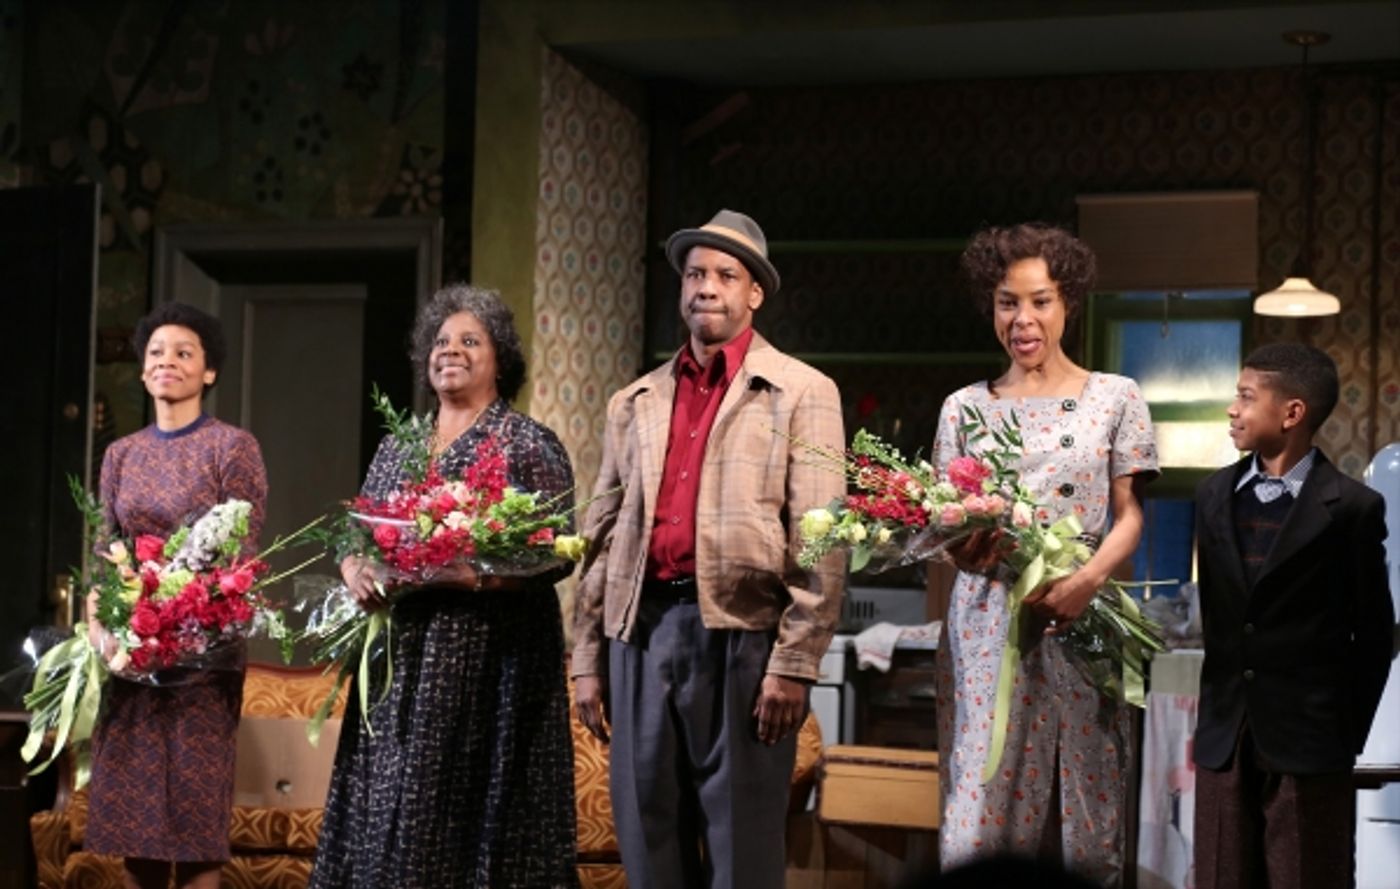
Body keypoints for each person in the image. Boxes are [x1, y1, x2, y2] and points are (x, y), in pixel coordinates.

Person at [571, 209, 846, 889]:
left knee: (741, 844)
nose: (706, 287)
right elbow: (601, 534)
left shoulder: (801, 391)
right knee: (647, 829)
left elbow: (822, 535)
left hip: (742, 635)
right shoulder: (635, 399)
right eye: (695, 273)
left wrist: (796, 659)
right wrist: (585, 656)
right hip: (641, 631)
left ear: (754, 293)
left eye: (726, 274)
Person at [308, 284, 579, 889]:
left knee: (467, 812)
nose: (449, 350)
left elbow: (558, 548)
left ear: (499, 359)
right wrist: (354, 567)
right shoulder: (399, 445)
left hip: (487, 661)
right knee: (389, 802)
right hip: (402, 656)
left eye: (469, 340)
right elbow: (360, 532)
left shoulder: (527, 443)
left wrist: (477, 575)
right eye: (440, 341)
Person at [933, 223, 1158, 885]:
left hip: (1083, 615)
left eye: (1040, 300)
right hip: (988, 623)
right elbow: (948, 529)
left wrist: (1088, 579)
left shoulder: (1116, 397)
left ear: (1069, 303)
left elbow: (1129, 515)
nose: (1023, 318)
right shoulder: (964, 409)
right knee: (982, 794)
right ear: (991, 305)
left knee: (1087, 803)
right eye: (1008, 302)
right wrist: (968, 551)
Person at [1192, 343, 1393, 889]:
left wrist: (1340, 732)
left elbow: (1374, 635)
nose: (1233, 408)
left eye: (1245, 396)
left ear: (1292, 413)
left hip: (1310, 743)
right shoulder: (1212, 495)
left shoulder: (1351, 507)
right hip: (1225, 739)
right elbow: (1217, 615)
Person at [84, 302, 268, 889]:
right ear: (142, 371)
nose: (168, 361)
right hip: (131, 655)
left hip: (201, 658)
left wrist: (179, 619)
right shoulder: (121, 454)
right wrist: (104, 625)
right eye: (157, 352)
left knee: (193, 828)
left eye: (184, 352)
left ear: (209, 372)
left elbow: (238, 552)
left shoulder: (231, 447)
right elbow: (104, 550)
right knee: (135, 827)